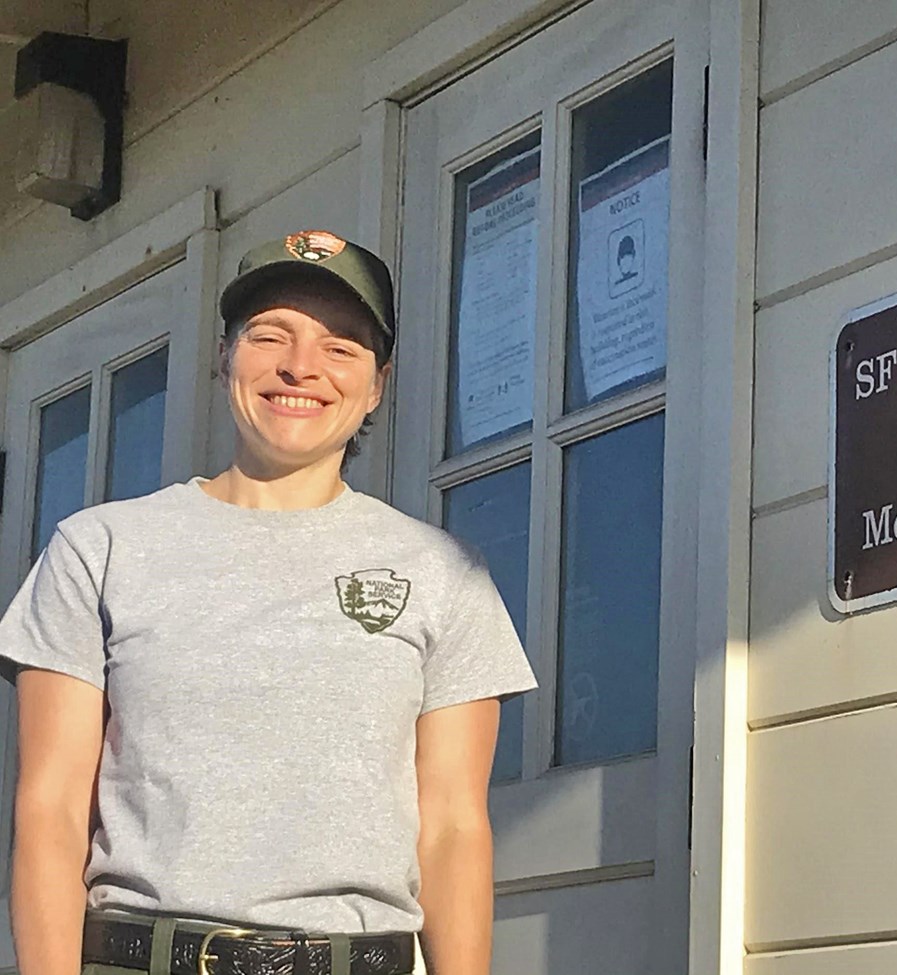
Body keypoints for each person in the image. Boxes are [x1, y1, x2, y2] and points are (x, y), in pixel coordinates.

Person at [0, 230, 537, 975]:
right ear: (225, 358)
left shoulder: (445, 574)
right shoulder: (99, 550)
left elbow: (451, 829)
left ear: (378, 383)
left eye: (341, 347)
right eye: (270, 335)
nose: (300, 366)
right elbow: (51, 808)